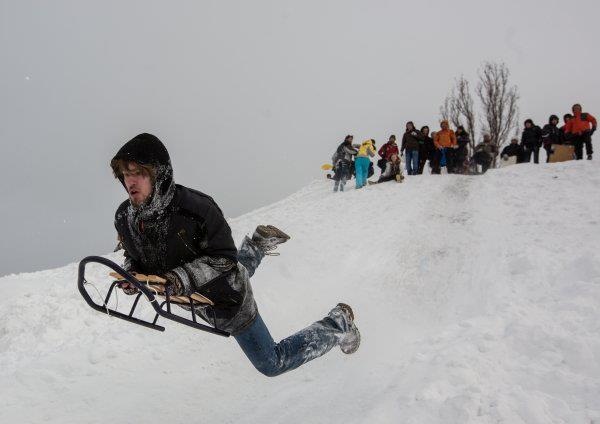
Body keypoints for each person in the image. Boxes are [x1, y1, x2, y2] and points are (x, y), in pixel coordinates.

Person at [110, 133, 360, 377]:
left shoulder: (196, 210)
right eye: (126, 174)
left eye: (139, 173)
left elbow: (223, 260)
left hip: (228, 300)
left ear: (159, 174)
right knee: (236, 270)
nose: (130, 181)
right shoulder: (126, 217)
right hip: (196, 297)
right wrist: (132, 274)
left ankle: (338, 323)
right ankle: (259, 244)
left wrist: (179, 279)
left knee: (272, 362)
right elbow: (136, 255)